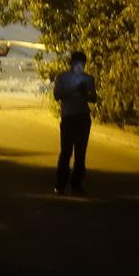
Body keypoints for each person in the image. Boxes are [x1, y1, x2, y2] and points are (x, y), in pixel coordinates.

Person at [53, 51, 97, 196]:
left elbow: (93, 98)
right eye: (77, 63)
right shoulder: (62, 77)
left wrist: (85, 93)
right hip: (68, 117)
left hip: (83, 117)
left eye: (82, 64)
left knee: (80, 154)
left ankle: (76, 185)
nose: (79, 66)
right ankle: (60, 184)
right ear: (71, 63)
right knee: (66, 152)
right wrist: (72, 91)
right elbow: (57, 95)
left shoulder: (88, 78)